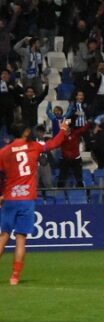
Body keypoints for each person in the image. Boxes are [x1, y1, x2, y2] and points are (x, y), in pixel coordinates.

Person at [0, 121, 68, 285]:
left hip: (10, 197)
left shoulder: (4, 152)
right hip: (27, 199)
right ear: (24, 132)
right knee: (21, 238)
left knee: (3, 236)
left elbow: (2, 174)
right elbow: (54, 143)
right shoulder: (34, 146)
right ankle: (15, 277)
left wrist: (2, 193)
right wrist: (63, 129)